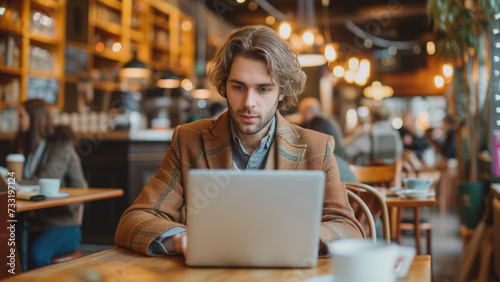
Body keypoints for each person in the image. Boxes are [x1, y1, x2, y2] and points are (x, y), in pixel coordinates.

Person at [115, 25, 364, 257]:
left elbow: (348, 228)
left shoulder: (317, 147)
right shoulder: (188, 140)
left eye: (263, 89)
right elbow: (135, 219)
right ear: (224, 86)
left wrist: (296, 238)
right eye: (238, 87)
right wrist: (182, 239)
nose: (248, 103)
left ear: (282, 91)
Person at [12, 99, 86, 268]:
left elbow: (46, 179)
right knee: (11, 249)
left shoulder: (61, 145)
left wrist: (12, 182)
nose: (18, 120)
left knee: (37, 254)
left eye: (21, 116)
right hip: (38, 223)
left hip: (65, 226)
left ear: (34, 118)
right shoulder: (34, 147)